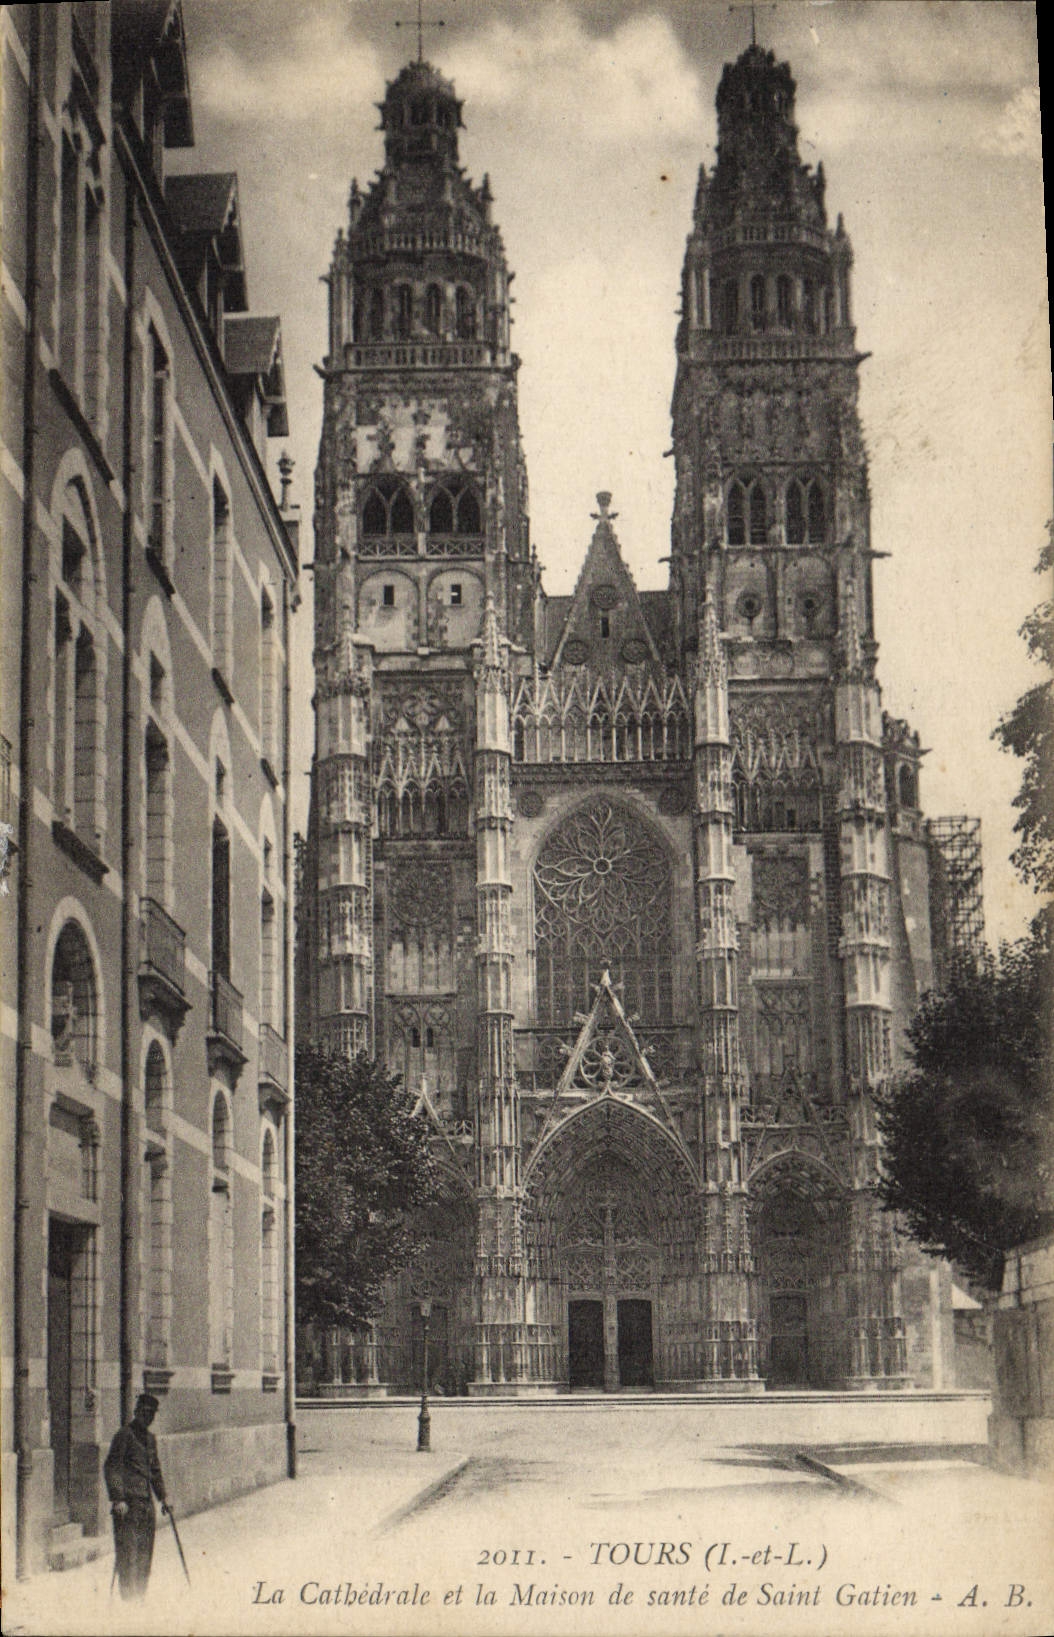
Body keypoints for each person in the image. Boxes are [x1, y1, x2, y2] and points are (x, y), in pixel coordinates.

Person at [103, 1392, 169, 1599]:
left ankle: (140, 1598)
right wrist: (118, 1498)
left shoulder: (150, 1439)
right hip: (128, 1507)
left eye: (152, 1415)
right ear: (137, 1412)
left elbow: (155, 1470)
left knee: (144, 1556)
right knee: (128, 1556)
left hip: (146, 1506)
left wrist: (164, 1498)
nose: (149, 1418)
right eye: (146, 1413)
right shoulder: (123, 1435)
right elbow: (112, 1467)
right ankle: (128, 1602)